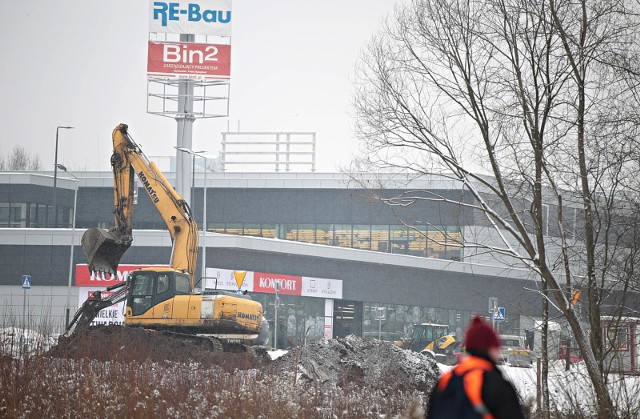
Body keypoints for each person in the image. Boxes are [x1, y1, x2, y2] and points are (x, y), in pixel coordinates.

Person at [426, 316, 526, 419]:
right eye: (496, 347)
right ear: (490, 349)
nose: (498, 352)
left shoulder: (445, 381)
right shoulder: (495, 383)